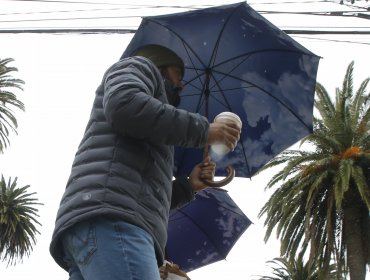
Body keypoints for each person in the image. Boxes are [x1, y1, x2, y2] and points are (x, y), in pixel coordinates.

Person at [49, 44, 241, 280]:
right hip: (114, 221)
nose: (182, 84)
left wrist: (189, 185)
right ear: (161, 65)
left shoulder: (153, 131)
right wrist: (204, 131)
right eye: (179, 74)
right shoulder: (140, 66)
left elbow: (142, 195)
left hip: (101, 223)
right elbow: (124, 105)